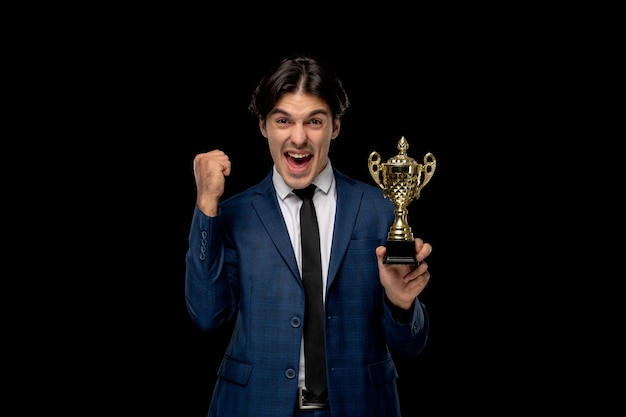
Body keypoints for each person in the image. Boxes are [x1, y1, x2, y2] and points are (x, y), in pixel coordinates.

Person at [185, 54, 433, 417]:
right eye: (283, 120)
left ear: (334, 127)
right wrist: (206, 202)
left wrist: (402, 304)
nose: (298, 138)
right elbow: (207, 315)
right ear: (263, 126)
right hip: (254, 406)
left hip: (361, 406)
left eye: (314, 121)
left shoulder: (379, 209)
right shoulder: (235, 213)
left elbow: (411, 345)